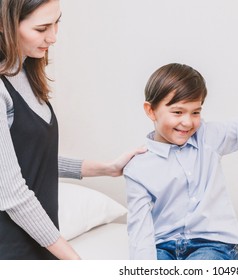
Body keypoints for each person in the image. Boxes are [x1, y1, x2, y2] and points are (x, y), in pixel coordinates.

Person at [0, 0, 144, 260]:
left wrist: (106, 169)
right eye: (42, 28)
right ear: (4, 25)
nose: (53, 37)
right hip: (11, 249)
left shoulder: (25, 72)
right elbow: (11, 192)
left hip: (42, 241)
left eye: (57, 23)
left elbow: (29, 160)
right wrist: (74, 260)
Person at [123, 62, 238, 260]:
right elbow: (140, 231)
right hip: (163, 246)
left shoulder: (208, 137)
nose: (188, 122)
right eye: (178, 112)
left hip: (211, 245)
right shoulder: (138, 168)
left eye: (196, 112)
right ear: (151, 111)